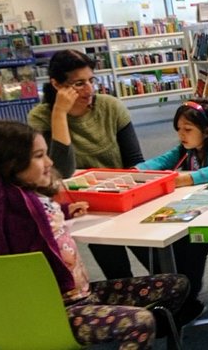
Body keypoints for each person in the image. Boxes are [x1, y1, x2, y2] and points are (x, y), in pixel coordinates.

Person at [0, 118, 189, 350]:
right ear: (9, 163)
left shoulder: (31, 199)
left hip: (83, 295)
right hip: (55, 310)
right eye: (38, 156)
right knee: (140, 323)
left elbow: (37, 217)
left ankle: (131, 328)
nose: (49, 162)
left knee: (177, 284)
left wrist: (64, 210)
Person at [27, 49, 147, 281]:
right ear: (56, 84)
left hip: (125, 196)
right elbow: (60, 172)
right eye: (79, 84)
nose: (90, 89)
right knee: (118, 273)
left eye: (92, 80)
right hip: (84, 207)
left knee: (157, 259)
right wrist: (60, 113)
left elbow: (135, 162)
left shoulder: (110, 107)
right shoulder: (41, 117)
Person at [136, 98, 208, 314]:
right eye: (178, 129)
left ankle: (187, 299)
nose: (181, 135)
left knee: (191, 241)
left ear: (207, 131)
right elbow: (157, 163)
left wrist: (186, 178)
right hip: (203, 212)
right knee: (159, 238)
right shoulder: (185, 150)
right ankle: (177, 292)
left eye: (188, 129)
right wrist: (131, 174)